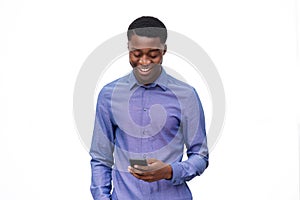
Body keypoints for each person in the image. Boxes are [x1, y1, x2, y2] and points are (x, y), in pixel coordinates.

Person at [90, 16, 209, 200]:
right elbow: (101, 157)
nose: (144, 62)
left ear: (164, 50)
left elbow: (200, 155)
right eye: (137, 54)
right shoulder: (109, 95)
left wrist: (170, 171)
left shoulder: (186, 96)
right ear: (128, 48)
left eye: (153, 54)